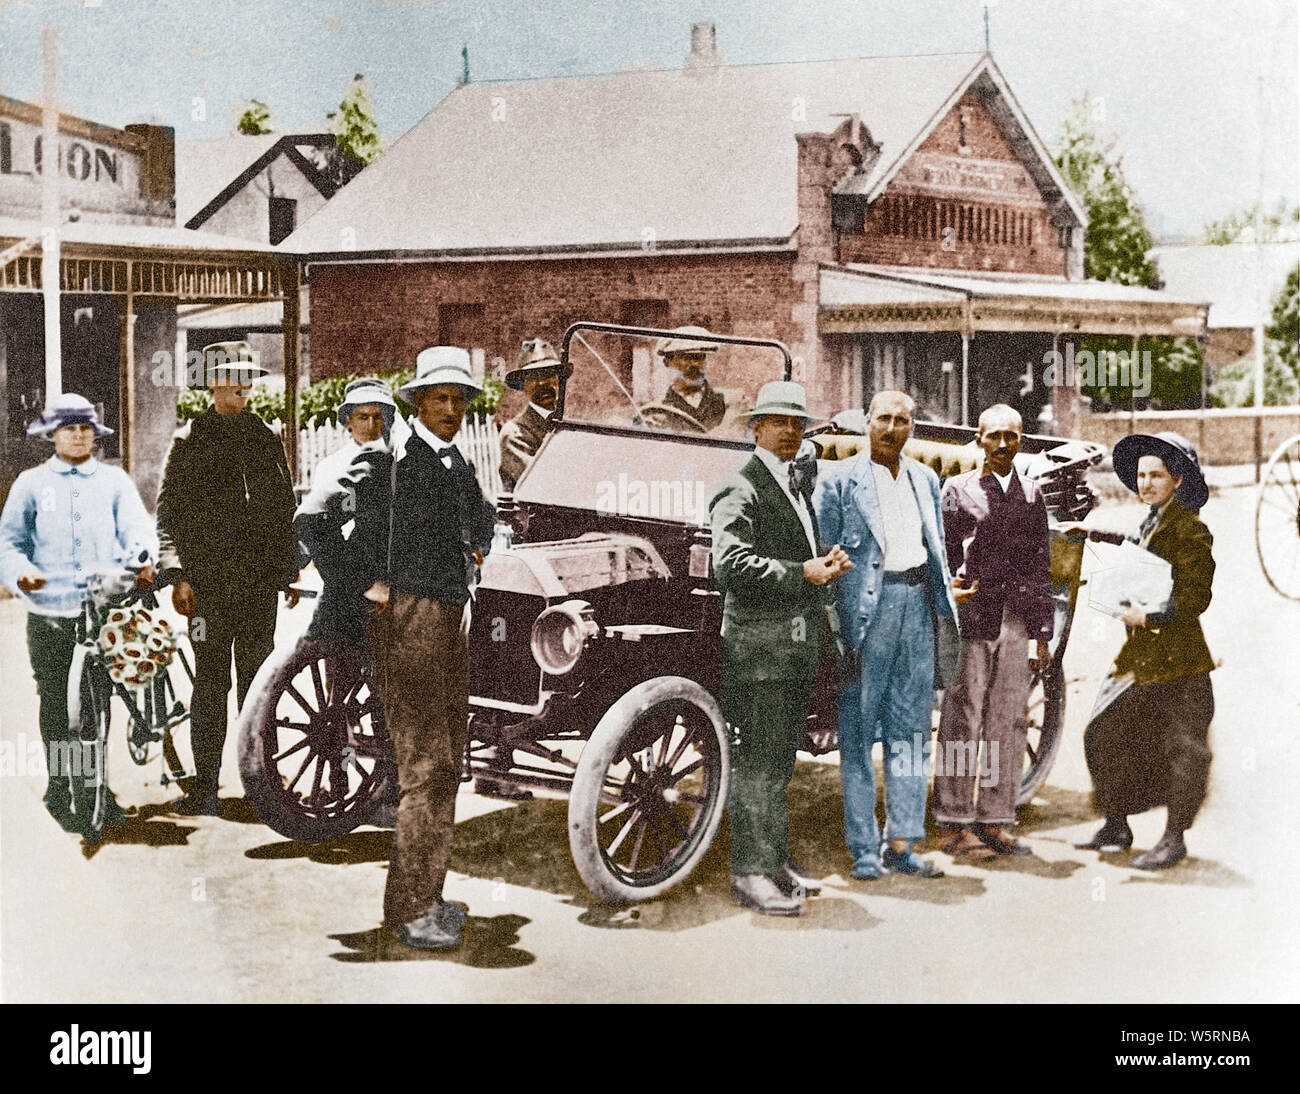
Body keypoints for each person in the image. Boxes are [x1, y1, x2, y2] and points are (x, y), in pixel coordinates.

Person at [348, 346, 495, 950]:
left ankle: (429, 896)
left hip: (447, 616)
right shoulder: (396, 464)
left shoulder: (451, 461)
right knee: (426, 768)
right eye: (442, 399)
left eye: (460, 400)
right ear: (417, 402)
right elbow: (327, 526)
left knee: (446, 766)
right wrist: (371, 588)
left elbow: (482, 516)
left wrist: (477, 543)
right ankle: (409, 910)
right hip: (410, 621)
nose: (453, 409)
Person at [710, 381, 853, 916]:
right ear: (757, 428)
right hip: (759, 653)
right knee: (759, 766)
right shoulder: (742, 488)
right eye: (779, 422)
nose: (791, 431)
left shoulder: (794, 488)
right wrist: (804, 571)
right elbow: (732, 567)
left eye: (797, 423)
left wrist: (824, 568)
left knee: (777, 764)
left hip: (791, 650)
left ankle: (774, 864)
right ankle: (750, 873)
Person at [813, 389, 958, 880]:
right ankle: (863, 849)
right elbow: (825, 558)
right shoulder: (838, 481)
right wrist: (836, 632)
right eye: (883, 419)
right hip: (864, 620)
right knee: (856, 734)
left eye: (901, 421)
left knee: (913, 732)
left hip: (917, 606)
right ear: (865, 422)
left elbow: (933, 546)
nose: (891, 429)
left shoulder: (926, 479)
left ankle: (902, 842)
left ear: (912, 427)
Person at [0, 393, 158, 838]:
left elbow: (137, 529)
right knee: (54, 703)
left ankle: (96, 790)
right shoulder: (31, 484)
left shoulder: (113, 482)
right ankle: (58, 787)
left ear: (96, 434)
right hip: (49, 612)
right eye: (68, 428)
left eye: (85, 428)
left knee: (94, 706)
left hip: (101, 610)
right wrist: (20, 573)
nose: (77, 435)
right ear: (52, 435)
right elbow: (8, 543)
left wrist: (141, 557)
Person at [156, 341, 301, 816]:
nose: (243, 385)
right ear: (213, 384)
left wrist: (290, 568)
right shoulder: (189, 439)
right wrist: (177, 574)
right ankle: (203, 788)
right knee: (211, 683)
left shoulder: (265, 436)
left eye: (247, 376)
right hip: (208, 587)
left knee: (260, 684)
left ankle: (262, 783)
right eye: (231, 376)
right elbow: (167, 515)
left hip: (258, 583)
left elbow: (284, 508)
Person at [1063, 432, 1215, 870]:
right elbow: (1137, 545)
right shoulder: (1152, 520)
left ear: (1179, 480)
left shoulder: (1190, 530)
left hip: (1179, 660)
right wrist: (1090, 531)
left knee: (1183, 750)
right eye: (1141, 475)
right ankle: (1116, 824)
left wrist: (1149, 618)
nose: (1145, 483)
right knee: (1105, 732)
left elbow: (1195, 597)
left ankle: (1174, 838)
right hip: (1140, 657)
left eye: (1156, 475)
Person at [934, 404, 1052, 860]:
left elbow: (1041, 565)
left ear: (1021, 440)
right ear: (978, 440)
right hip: (974, 620)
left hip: (1017, 618)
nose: (1003, 445)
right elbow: (942, 554)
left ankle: (997, 819)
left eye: (1012, 437)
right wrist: (949, 596)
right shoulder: (957, 491)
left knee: (1009, 718)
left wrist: (1042, 631)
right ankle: (954, 822)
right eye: (994, 436)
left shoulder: (1031, 494)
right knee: (964, 716)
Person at [296, 378, 398, 643]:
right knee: (336, 655)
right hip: (347, 577)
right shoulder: (332, 467)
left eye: (379, 416)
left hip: (390, 574)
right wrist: (350, 581)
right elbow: (317, 527)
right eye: (363, 416)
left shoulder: (397, 461)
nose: (372, 425)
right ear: (348, 422)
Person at [498, 339, 570, 492]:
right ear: (523, 385)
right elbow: (538, 485)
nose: (542, 383)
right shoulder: (515, 433)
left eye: (548, 374)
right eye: (533, 377)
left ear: (559, 379)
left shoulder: (568, 424)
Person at [657, 326, 726, 432]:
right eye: (686, 358)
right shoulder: (658, 410)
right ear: (668, 362)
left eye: (699, 357)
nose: (694, 364)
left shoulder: (724, 404)